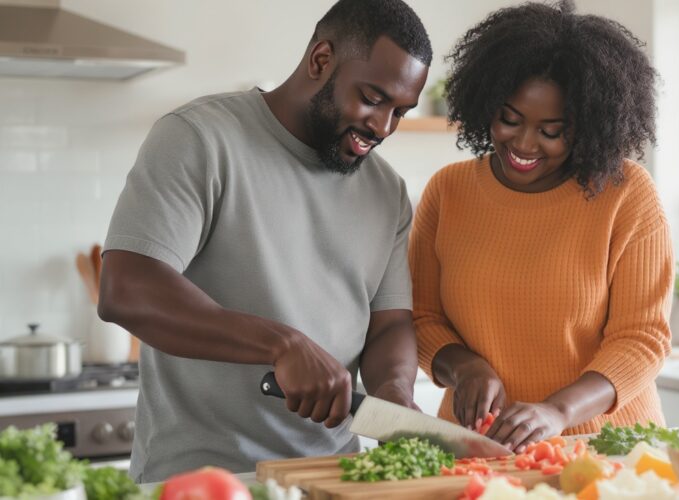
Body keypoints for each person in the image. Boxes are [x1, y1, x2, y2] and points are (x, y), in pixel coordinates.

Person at [98, 0, 431, 482]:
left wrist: (396, 396)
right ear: (321, 60)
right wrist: (281, 343)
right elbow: (127, 289)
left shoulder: (387, 192)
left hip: (336, 479)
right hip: (201, 481)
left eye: (400, 111)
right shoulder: (199, 139)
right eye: (373, 98)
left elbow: (389, 324)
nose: (382, 127)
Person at [410, 0, 672, 455]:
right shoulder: (448, 192)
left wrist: (557, 412)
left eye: (552, 130)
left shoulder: (627, 194)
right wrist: (465, 367)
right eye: (509, 120)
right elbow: (420, 318)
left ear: (590, 127)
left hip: (605, 448)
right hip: (479, 447)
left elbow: (642, 339)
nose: (525, 144)